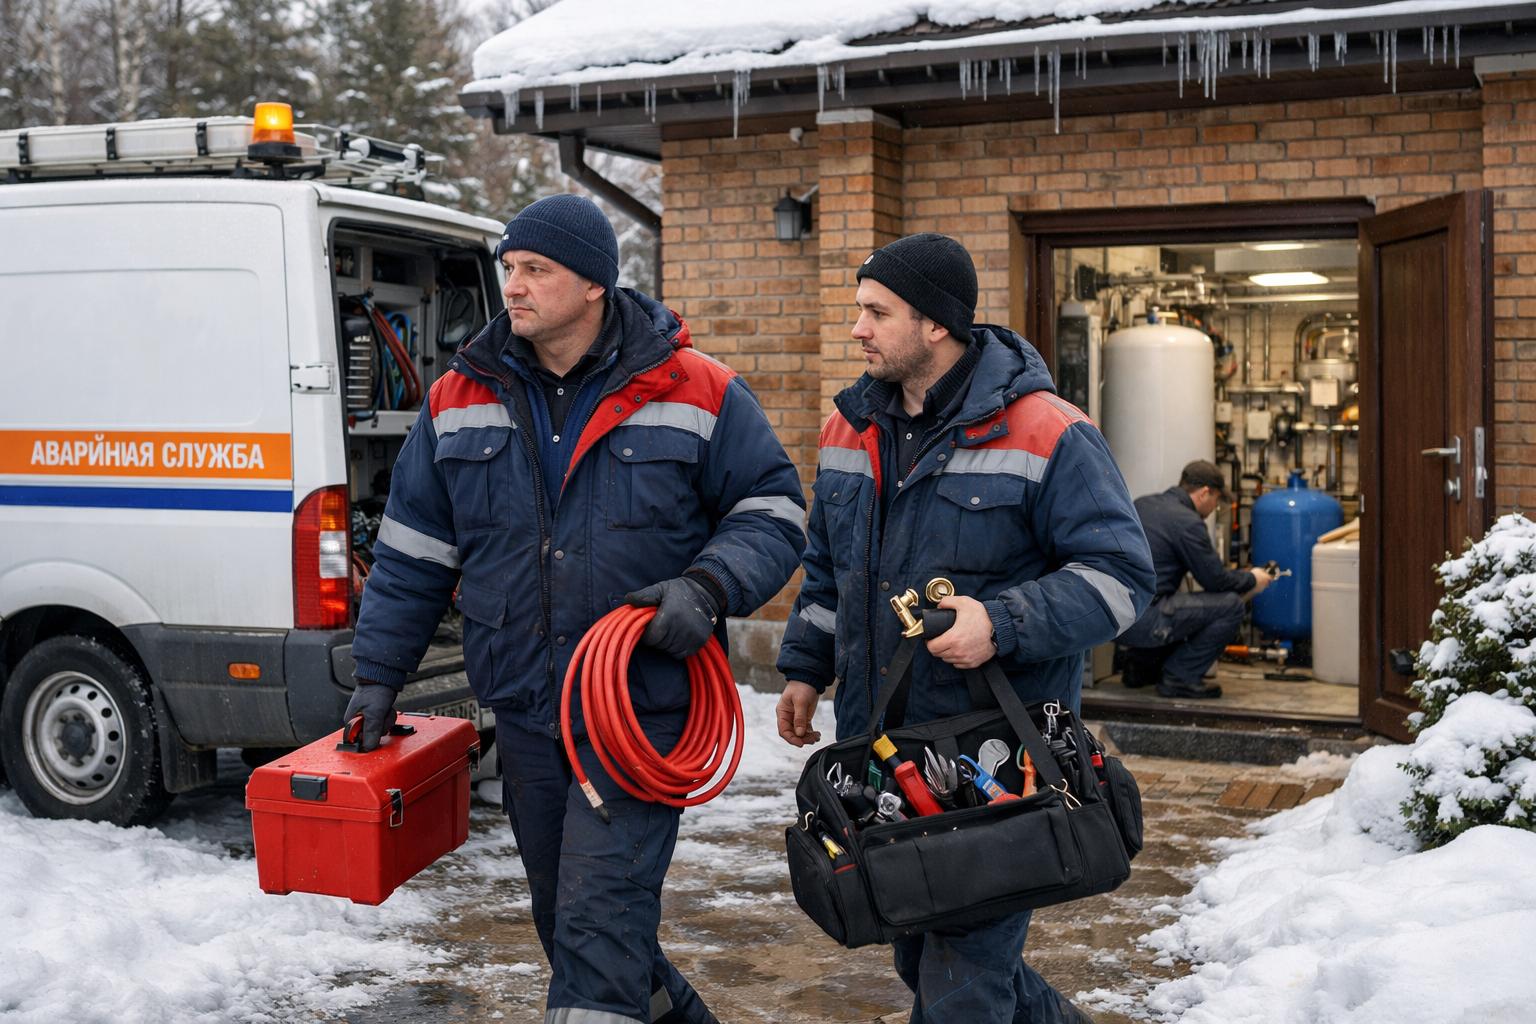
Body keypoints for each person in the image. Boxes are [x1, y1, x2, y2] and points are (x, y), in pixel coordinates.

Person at [343, 193, 806, 1024]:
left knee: (597, 928)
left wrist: (707, 587)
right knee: (574, 926)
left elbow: (773, 512)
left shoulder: (697, 389)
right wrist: (379, 674)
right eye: (509, 268)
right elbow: (415, 553)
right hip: (526, 711)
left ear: (594, 283)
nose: (513, 286)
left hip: (639, 712)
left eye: (536, 269)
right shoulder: (458, 398)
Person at [774, 233, 1155, 1024]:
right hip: (886, 749)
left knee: (962, 980)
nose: (857, 329)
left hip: (995, 761)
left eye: (877, 313)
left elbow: (1122, 581)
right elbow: (829, 569)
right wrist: (806, 668)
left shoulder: (1049, 430)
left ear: (936, 323)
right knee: (926, 954)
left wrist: (1002, 622)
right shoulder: (851, 428)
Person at [1116, 460, 1272, 699]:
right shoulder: (1188, 522)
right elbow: (1216, 581)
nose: (1215, 508)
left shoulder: (1142, 503)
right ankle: (1179, 678)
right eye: (1216, 500)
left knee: (1172, 599)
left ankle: (1139, 668)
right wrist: (1252, 578)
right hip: (1145, 622)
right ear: (1204, 493)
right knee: (1230, 606)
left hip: (1115, 620)